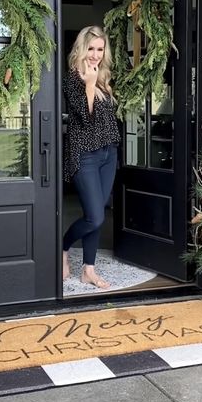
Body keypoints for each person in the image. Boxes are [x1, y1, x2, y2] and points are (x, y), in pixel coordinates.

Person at [63, 25, 120, 289]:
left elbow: (107, 119)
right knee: (94, 217)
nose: (95, 54)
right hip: (85, 155)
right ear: (81, 48)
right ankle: (62, 246)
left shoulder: (103, 77)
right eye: (91, 48)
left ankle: (88, 269)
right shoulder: (73, 79)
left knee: (96, 215)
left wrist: (97, 82)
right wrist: (88, 84)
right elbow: (86, 119)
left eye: (100, 49)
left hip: (108, 153)